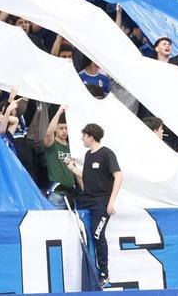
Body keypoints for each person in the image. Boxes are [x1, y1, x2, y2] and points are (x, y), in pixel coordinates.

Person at [67, 123, 122, 286]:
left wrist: (111, 201)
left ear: (91, 137)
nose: (82, 138)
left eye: (84, 135)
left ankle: (104, 273)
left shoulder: (106, 154)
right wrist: (71, 168)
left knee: (98, 234)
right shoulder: (88, 155)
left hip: (102, 201)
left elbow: (118, 176)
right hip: (87, 199)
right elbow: (87, 176)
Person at [43, 106, 76, 209]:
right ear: (56, 129)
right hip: (56, 195)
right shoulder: (52, 144)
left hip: (71, 195)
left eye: (66, 128)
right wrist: (59, 112)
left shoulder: (72, 146)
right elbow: (49, 133)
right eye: (61, 128)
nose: (64, 131)